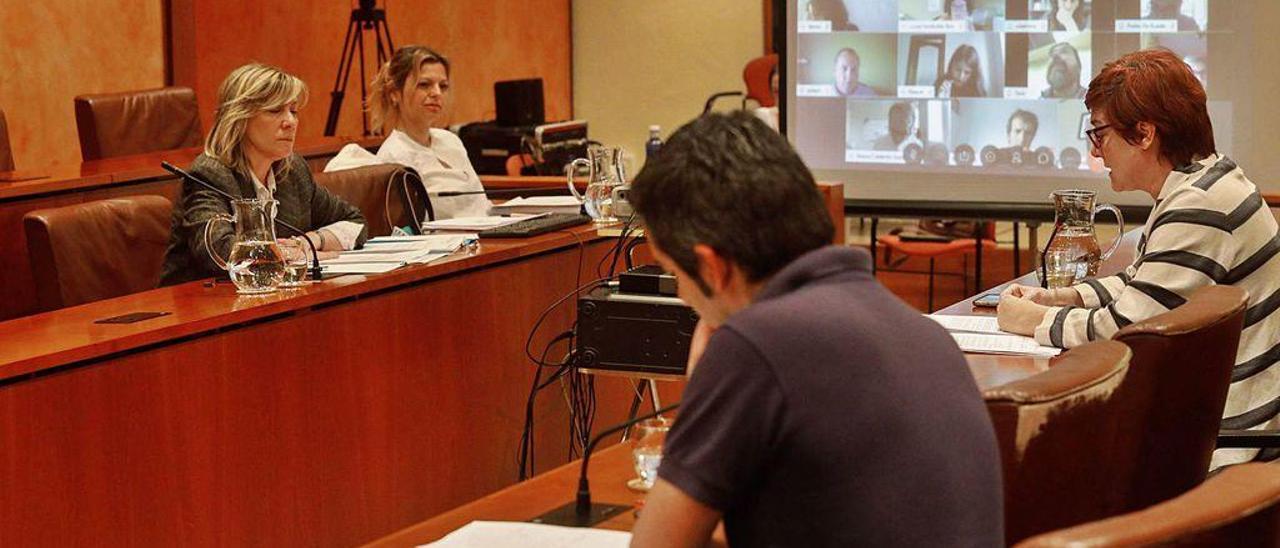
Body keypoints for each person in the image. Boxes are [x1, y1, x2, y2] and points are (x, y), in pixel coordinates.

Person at [627, 112, 1003, 547]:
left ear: (712, 267)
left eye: (674, 273)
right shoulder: (919, 329)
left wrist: (702, 387)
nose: (680, 295)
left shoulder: (755, 346)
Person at [997, 49, 1280, 466]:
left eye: (1099, 134)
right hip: (1217, 417)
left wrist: (1032, 321)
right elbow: (1141, 282)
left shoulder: (1199, 207)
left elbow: (1127, 332)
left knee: (1034, 457)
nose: (1096, 153)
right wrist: (1063, 299)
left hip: (1227, 442)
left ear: (1145, 134)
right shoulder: (1205, 181)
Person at [160, 63, 367, 286]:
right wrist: (299, 256)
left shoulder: (293, 171)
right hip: (203, 307)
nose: (290, 122)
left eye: (293, 111)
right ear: (240, 118)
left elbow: (355, 223)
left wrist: (309, 243)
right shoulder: (209, 175)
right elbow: (223, 253)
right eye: (275, 110)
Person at [368, 46, 492, 219]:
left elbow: (483, 203)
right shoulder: (393, 157)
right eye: (424, 85)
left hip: (489, 233)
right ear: (394, 93)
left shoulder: (450, 140)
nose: (436, 93)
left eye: (443, 86)